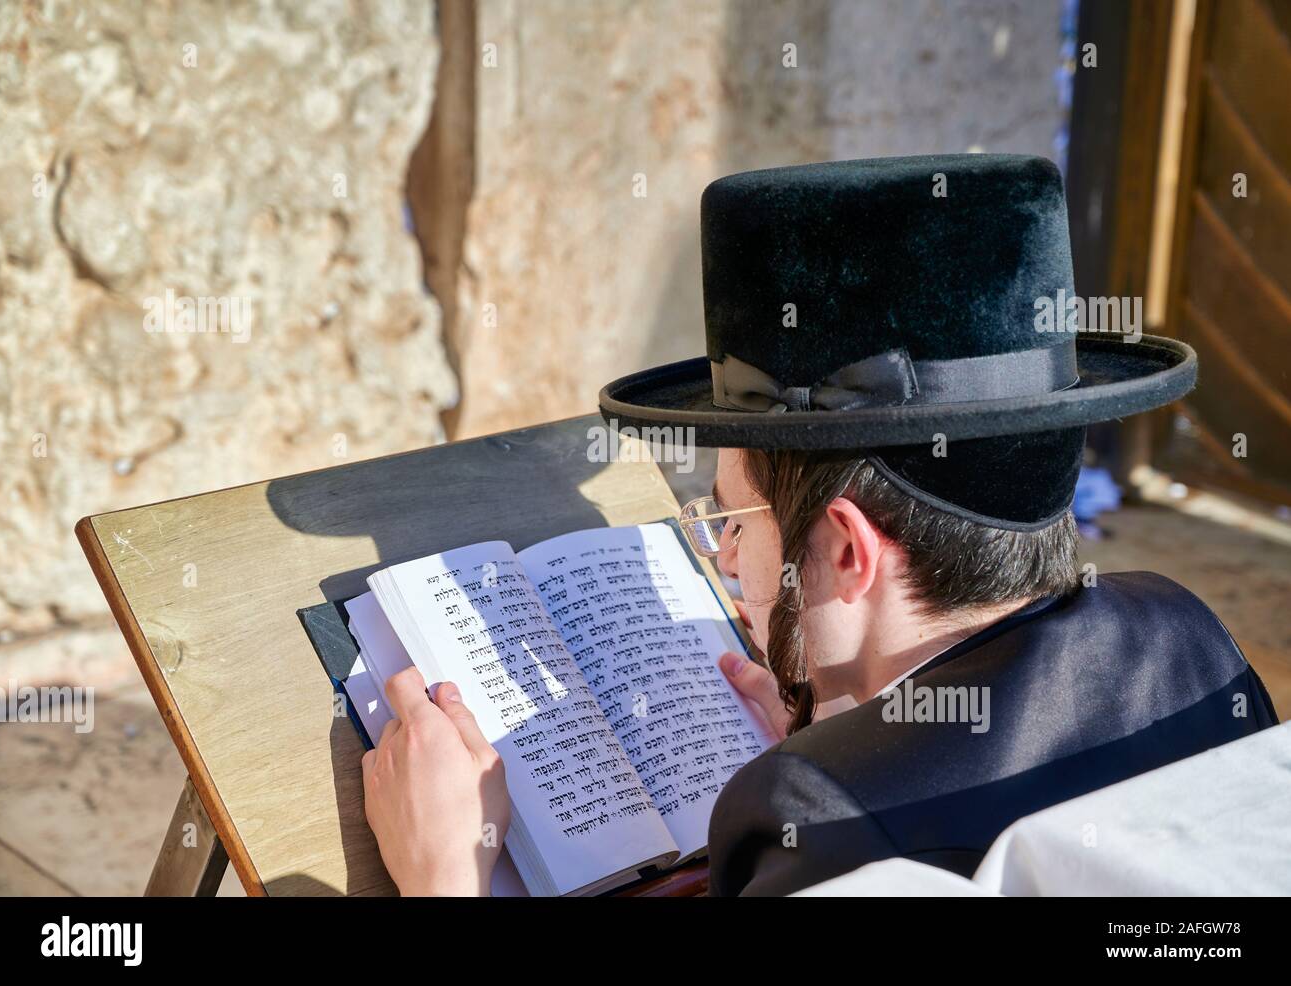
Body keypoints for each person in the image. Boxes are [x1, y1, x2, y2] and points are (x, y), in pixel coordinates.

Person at [362, 155, 1279, 896]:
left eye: (731, 519)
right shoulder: (1189, 639)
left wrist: (445, 874)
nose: (720, 557)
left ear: (844, 550)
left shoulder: (817, 815)